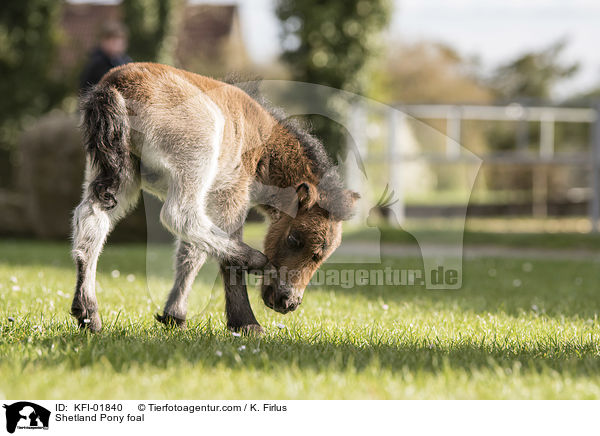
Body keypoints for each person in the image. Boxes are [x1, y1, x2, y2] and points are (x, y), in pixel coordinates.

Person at [79, 21, 132, 92]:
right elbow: (84, 88)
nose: (116, 45)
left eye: (119, 41)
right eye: (113, 41)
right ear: (103, 41)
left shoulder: (126, 61)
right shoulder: (96, 62)